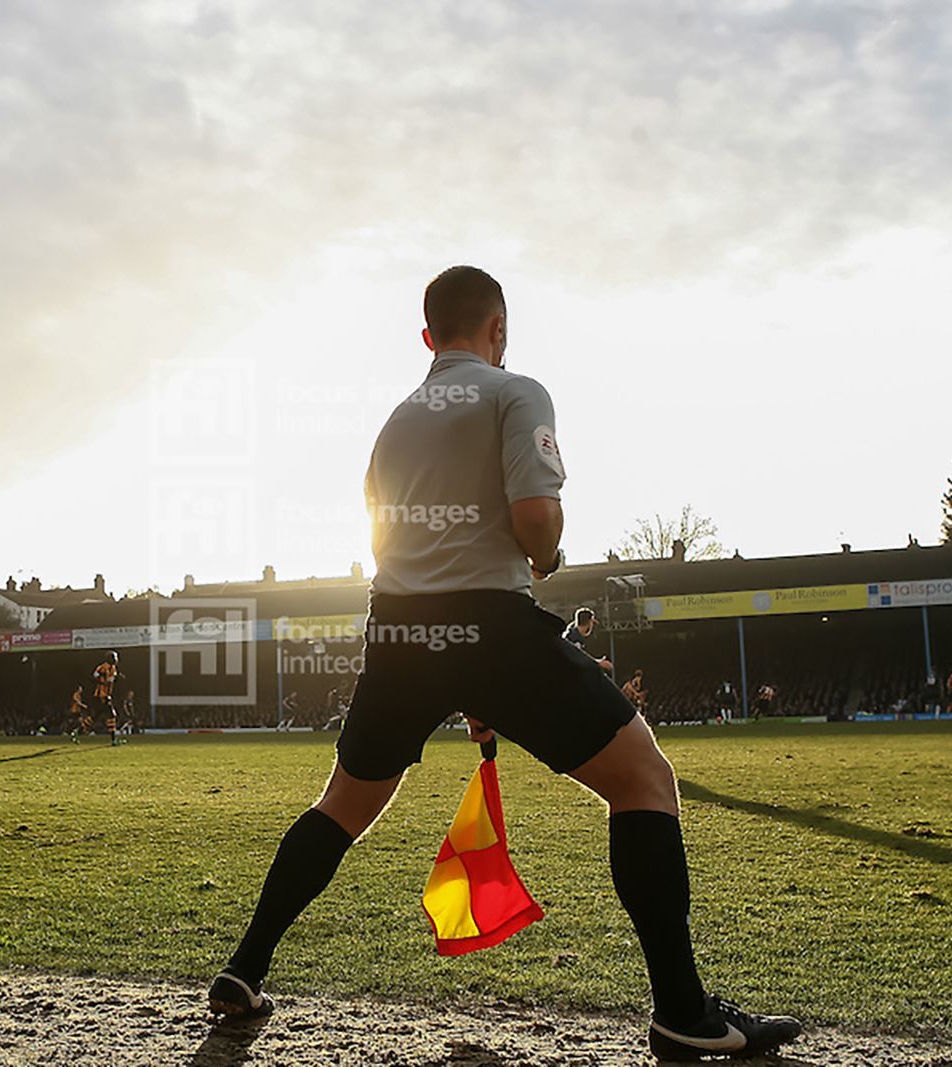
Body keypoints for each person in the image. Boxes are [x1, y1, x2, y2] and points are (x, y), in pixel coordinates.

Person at [205, 266, 800, 1060]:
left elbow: (393, 545)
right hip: (490, 624)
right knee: (644, 781)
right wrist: (544, 561)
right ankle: (682, 1012)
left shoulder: (392, 423)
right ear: (499, 328)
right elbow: (535, 521)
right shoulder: (517, 391)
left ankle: (245, 968)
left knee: (341, 805)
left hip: (398, 630)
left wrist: (459, 677)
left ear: (428, 336)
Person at [561, 607, 613, 674]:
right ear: (589, 623)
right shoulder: (573, 638)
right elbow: (578, 658)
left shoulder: (572, 633)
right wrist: (597, 663)